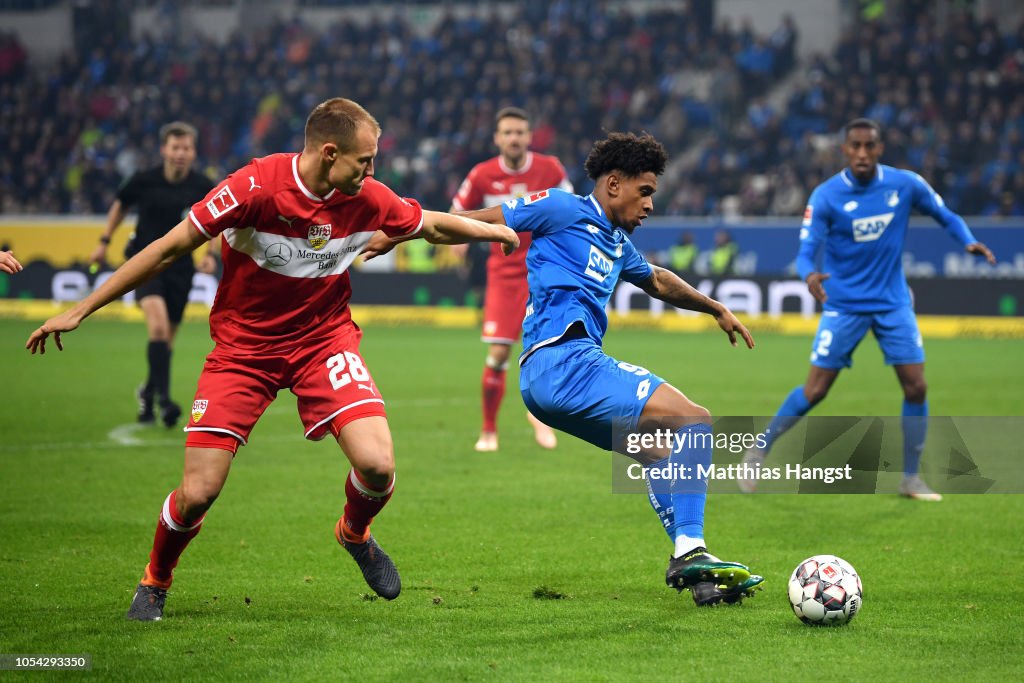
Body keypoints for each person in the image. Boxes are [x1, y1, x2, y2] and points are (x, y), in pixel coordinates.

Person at [26, 97, 519, 621]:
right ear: (330, 153)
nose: (373, 172)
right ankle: (155, 580)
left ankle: (354, 533)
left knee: (377, 466)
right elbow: (168, 247)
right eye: (365, 161)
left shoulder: (367, 197)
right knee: (198, 493)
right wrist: (82, 309)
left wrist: (494, 231)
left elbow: (431, 225)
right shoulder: (253, 187)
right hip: (243, 352)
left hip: (323, 342)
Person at [373, 132, 763, 606]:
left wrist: (715, 307)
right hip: (564, 362)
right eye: (646, 192)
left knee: (662, 457)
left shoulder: (617, 243)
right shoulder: (562, 209)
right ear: (613, 184)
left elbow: (657, 280)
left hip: (552, 382)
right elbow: (473, 220)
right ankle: (690, 552)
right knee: (695, 421)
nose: (650, 205)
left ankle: (699, 576)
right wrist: (401, 230)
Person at [738, 118, 996, 500]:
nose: (862, 153)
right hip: (844, 305)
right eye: (855, 146)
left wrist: (968, 241)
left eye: (869, 146)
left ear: (879, 149)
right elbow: (806, 252)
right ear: (844, 149)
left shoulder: (904, 184)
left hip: (893, 303)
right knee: (815, 390)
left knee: (917, 385)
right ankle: (760, 447)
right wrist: (809, 276)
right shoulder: (826, 196)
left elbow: (945, 214)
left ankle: (910, 478)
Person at [450, 107, 573, 453]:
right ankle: (489, 430)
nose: (514, 138)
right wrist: (459, 241)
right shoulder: (482, 174)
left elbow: (573, 206)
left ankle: (542, 419)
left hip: (546, 273)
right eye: (508, 133)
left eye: (520, 132)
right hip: (504, 275)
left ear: (529, 136)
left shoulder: (550, 169)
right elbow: (456, 212)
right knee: (500, 352)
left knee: (549, 352)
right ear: (497, 138)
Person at [89, 122, 217, 427]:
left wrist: (211, 255)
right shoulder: (144, 180)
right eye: (175, 147)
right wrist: (104, 241)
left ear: (193, 151)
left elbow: (217, 218)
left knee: (167, 341)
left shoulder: (202, 185)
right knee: (158, 329)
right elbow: (120, 205)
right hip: (144, 263)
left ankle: (148, 392)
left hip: (181, 268)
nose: (181, 153)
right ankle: (165, 400)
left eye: (186, 148)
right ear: (164, 150)